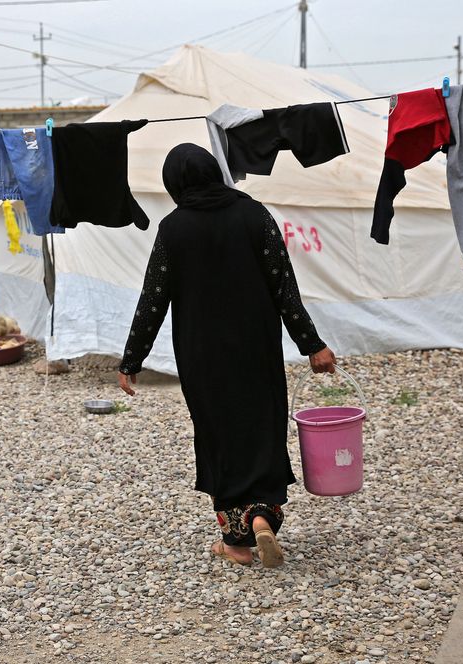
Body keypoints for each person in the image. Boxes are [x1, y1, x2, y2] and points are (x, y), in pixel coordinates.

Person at [116, 143, 336, 568]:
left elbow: (153, 299)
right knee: (261, 427)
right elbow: (283, 288)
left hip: (203, 356)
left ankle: (235, 540)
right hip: (256, 348)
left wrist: (132, 359)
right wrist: (312, 345)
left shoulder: (173, 228)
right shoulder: (255, 215)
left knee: (219, 434)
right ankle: (262, 516)